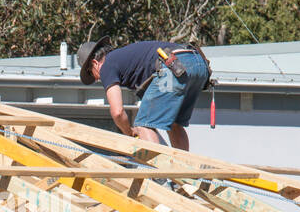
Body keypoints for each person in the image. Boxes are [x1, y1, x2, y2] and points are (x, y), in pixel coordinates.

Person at [77, 37, 210, 151]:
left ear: (95, 63)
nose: (96, 79)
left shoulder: (106, 65)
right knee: (174, 124)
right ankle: (184, 174)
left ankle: (158, 178)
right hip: (197, 64)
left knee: (143, 125)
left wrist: (129, 132)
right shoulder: (124, 59)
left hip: (172, 66)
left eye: (90, 73)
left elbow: (117, 112)